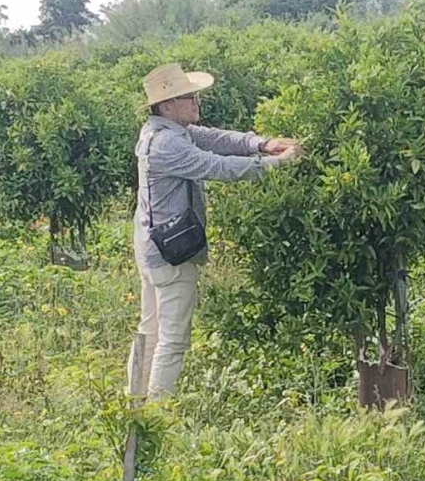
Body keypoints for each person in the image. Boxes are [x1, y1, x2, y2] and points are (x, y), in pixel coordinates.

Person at [128, 63, 302, 400]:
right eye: (189, 97)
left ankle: (135, 401)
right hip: (170, 252)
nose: (196, 103)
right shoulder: (168, 145)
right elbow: (216, 166)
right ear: (167, 106)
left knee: (150, 329)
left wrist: (261, 144)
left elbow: (213, 137)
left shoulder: (163, 132)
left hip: (151, 244)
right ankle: (156, 413)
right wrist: (276, 163)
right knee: (172, 337)